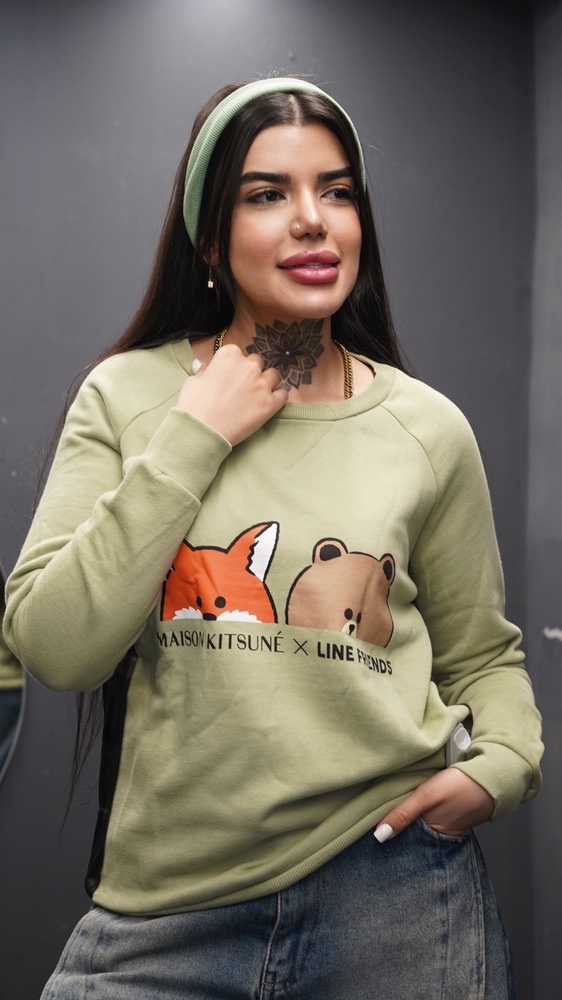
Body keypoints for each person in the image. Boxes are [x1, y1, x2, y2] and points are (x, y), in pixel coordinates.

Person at [3, 76, 542, 999]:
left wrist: (505, 767)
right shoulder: (130, 396)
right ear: (211, 240)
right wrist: (196, 432)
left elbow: (483, 656)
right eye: (267, 194)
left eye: (337, 192)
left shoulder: (427, 427)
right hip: (171, 904)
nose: (312, 221)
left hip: (396, 888)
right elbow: (57, 648)